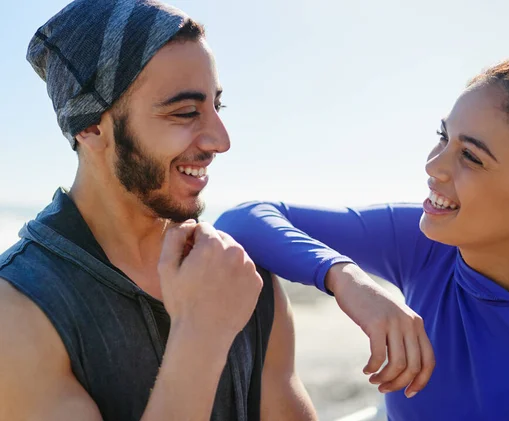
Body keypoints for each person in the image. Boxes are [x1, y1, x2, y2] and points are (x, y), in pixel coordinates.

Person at [215, 55, 509, 420]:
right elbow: (244, 220)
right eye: (443, 136)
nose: (434, 165)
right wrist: (346, 279)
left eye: (471, 156)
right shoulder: (427, 246)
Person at [0, 1, 318, 420]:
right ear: (90, 127)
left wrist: (341, 275)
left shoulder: (241, 273)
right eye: (186, 112)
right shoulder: (19, 309)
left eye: (216, 108)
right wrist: (202, 335)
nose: (220, 141)